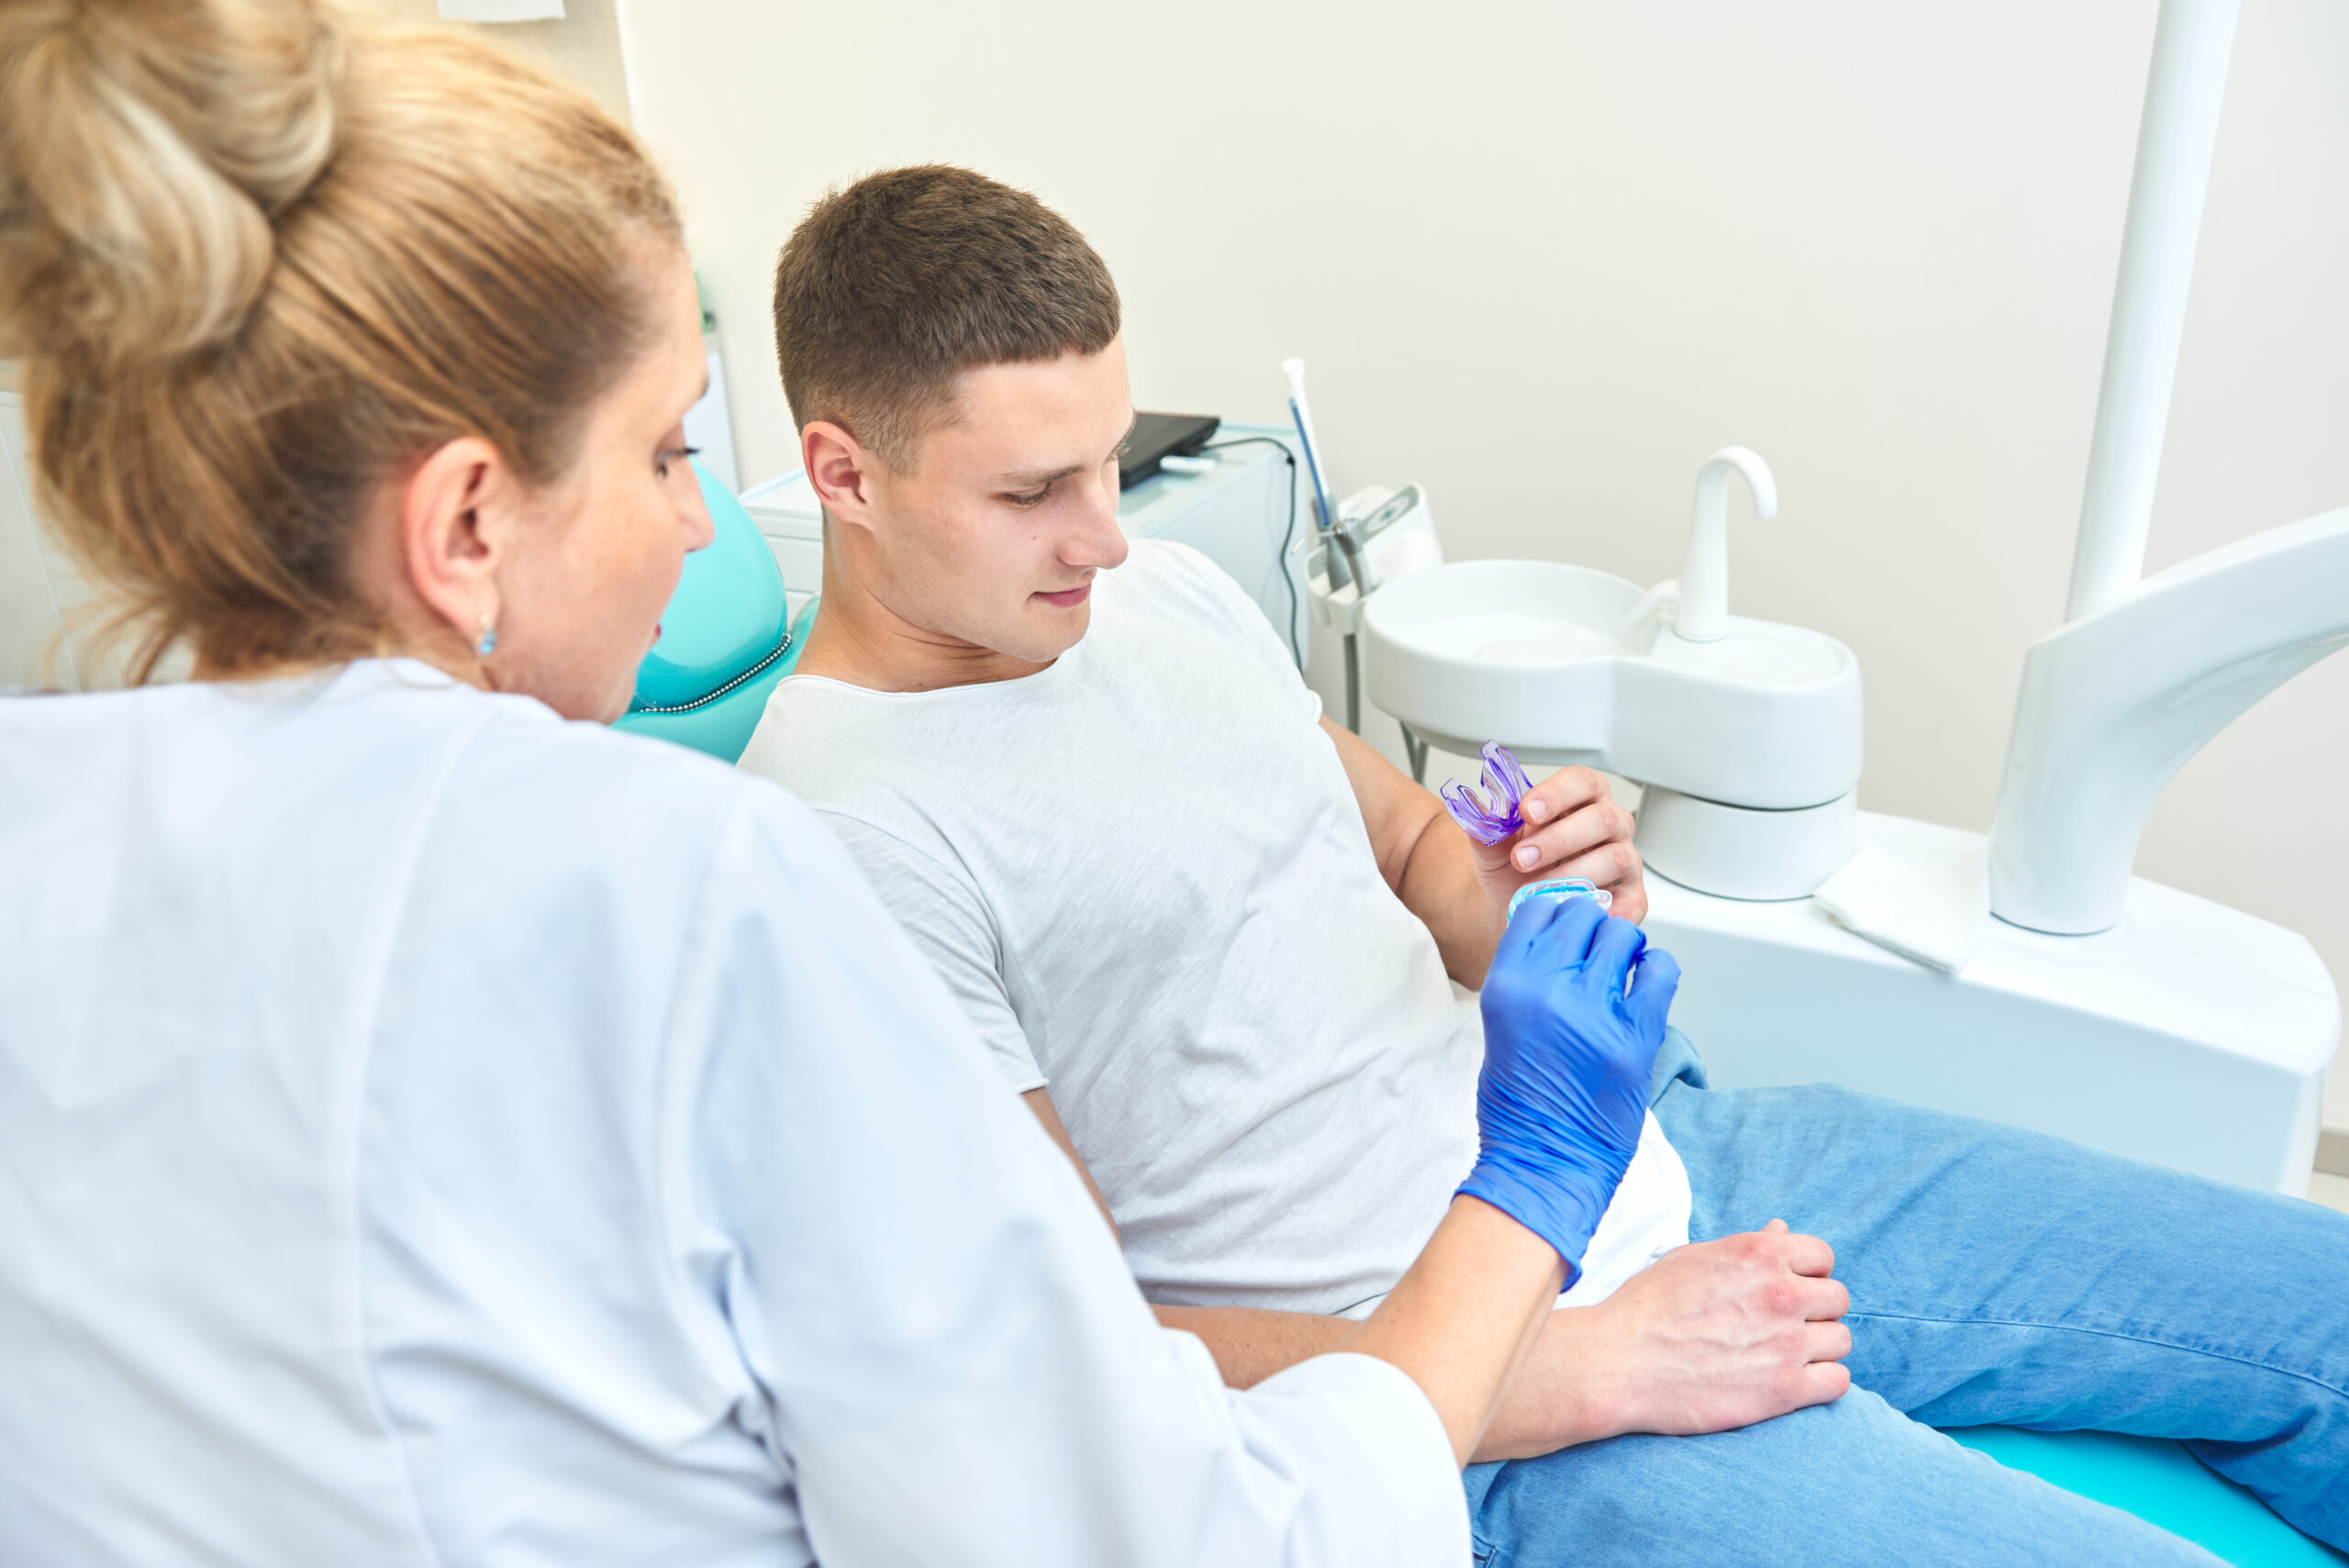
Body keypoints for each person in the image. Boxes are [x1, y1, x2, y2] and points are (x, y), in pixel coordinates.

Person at [0, 8, 1688, 1565]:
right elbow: (1141, 1530)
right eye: (666, 451)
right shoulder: (706, 887)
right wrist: (1532, 1187)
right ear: (461, 527)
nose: (694, 522)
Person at [740, 164, 2349, 1563]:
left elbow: (1404, 844)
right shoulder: (840, 843)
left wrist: (1525, 890)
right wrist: (1587, 1367)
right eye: (1033, 492)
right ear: (842, 473)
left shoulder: (1151, 599)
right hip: (1492, 1413)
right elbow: (1077, 1368)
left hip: (1674, 1161)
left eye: (1108, 460)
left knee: (2323, 1306)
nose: (1104, 532)